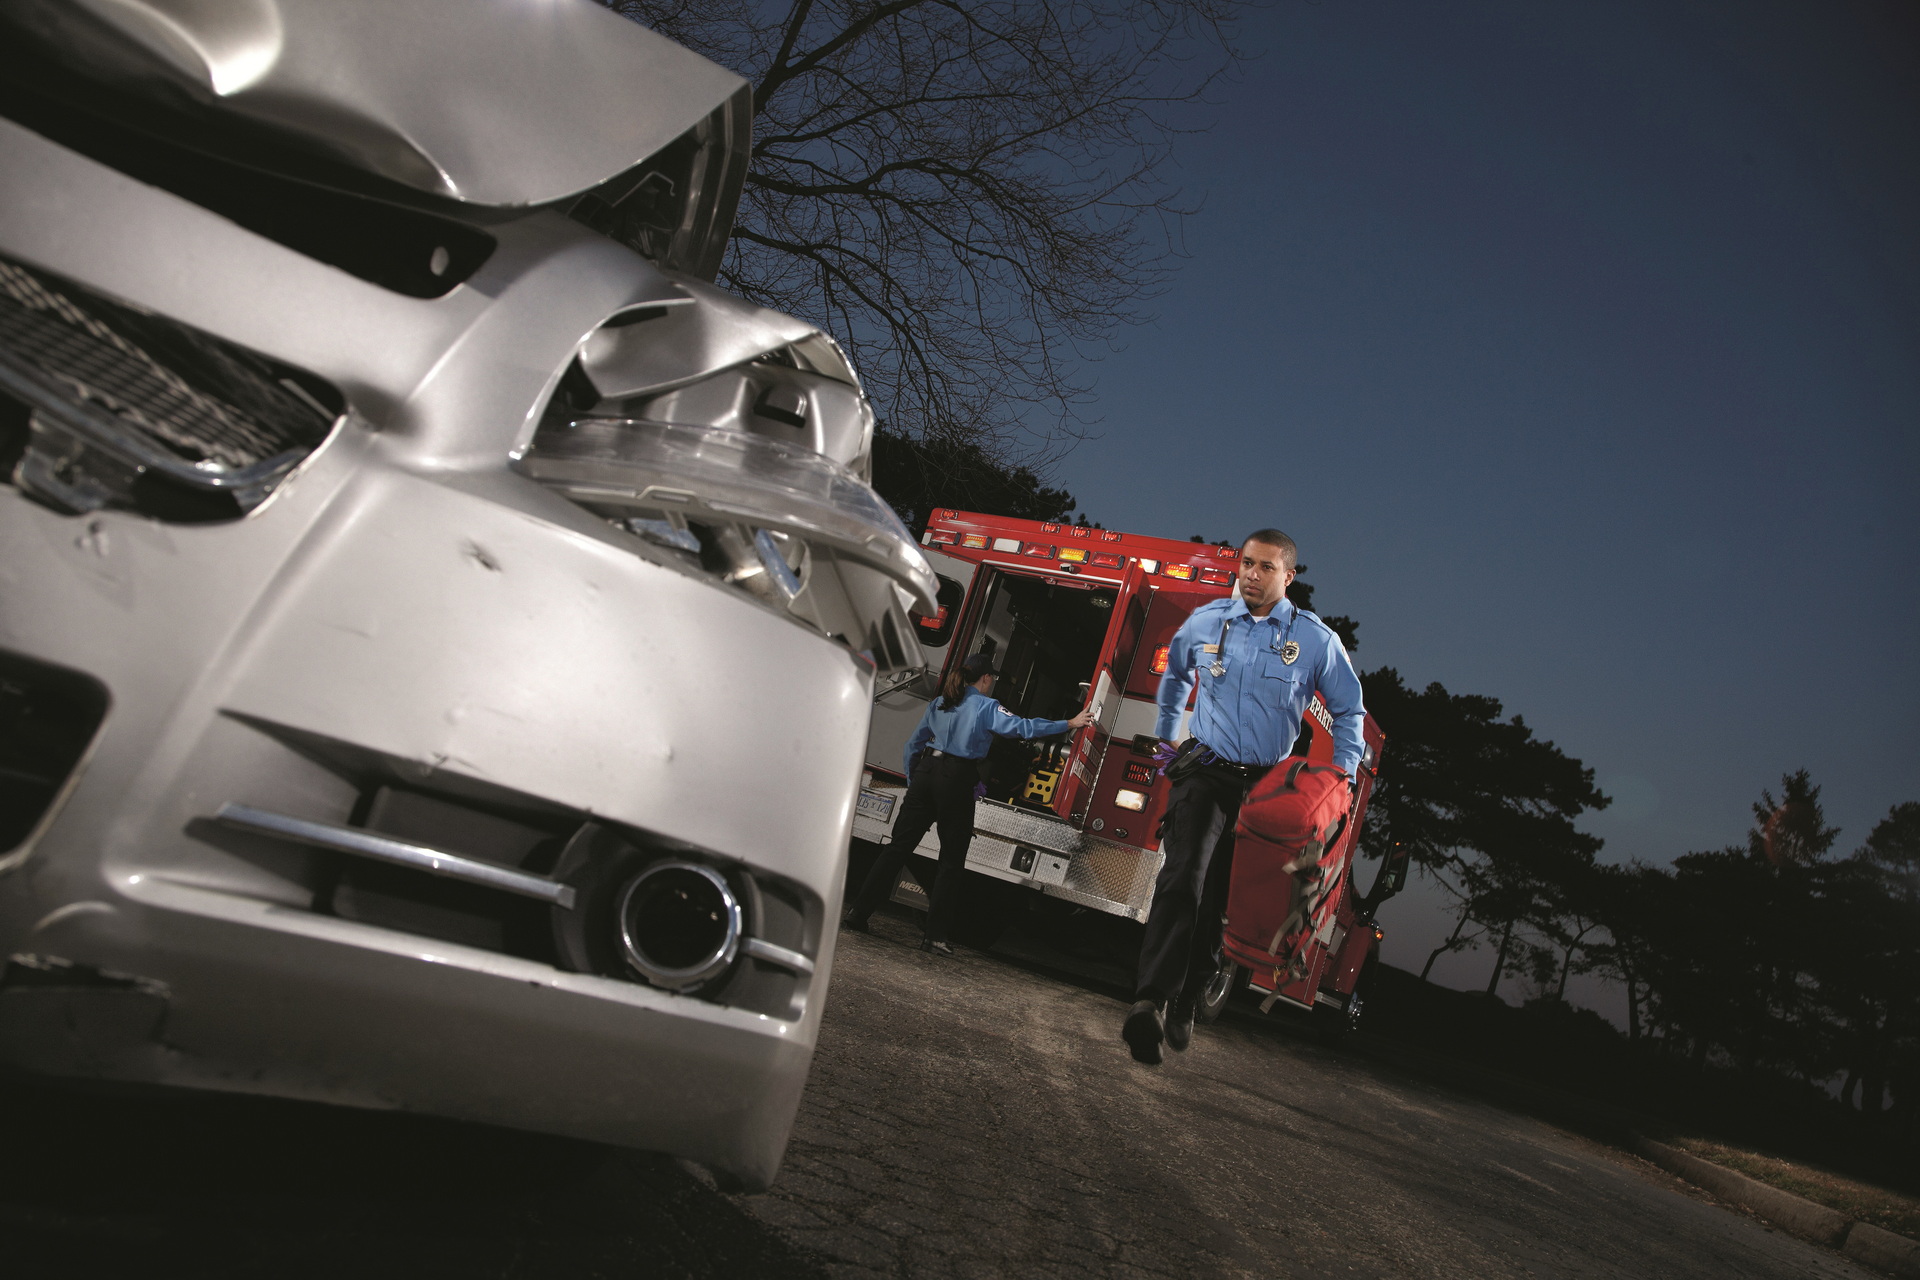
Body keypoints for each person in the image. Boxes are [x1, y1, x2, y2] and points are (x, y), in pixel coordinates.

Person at [1122, 529, 1365, 1064]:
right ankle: (1150, 1000)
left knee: (1222, 901)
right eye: (1247, 563)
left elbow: (1350, 711)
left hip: (1262, 789)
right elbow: (1176, 674)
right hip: (1205, 772)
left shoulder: (1316, 640)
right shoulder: (1209, 622)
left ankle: (1190, 996)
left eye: (1265, 567)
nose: (1252, 575)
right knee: (1183, 876)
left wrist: (1342, 780)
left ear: (1289, 576)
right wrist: (1168, 735)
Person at [843, 652, 1093, 953]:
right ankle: (934, 937)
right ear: (985, 679)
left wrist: (915, 779)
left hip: (926, 773)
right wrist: (1070, 722)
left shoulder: (940, 702)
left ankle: (858, 913)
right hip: (956, 779)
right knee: (950, 860)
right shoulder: (987, 706)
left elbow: (913, 745)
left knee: (897, 848)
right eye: (991, 678)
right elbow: (1023, 728)